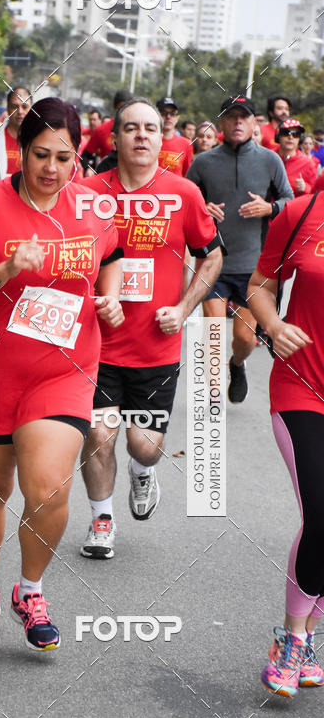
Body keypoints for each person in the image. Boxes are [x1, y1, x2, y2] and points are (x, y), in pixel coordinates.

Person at [0, 98, 124, 650]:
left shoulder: (93, 208)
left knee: (45, 487)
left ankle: (30, 589)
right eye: (40, 154)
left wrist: (110, 298)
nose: (51, 168)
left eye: (64, 157)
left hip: (63, 368)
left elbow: (110, 256)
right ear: (20, 151)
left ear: (79, 159)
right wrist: (6, 269)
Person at [78, 98, 222, 558]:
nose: (141, 135)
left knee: (144, 448)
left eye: (150, 129)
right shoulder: (88, 192)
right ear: (114, 137)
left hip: (157, 348)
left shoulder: (183, 193)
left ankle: (143, 473)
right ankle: (102, 519)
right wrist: (95, 300)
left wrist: (183, 309)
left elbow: (212, 255)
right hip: (96, 344)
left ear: (163, 139)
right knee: (99, 434)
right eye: (131, 128)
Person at [247, 193, 324, 698]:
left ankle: (310, 636)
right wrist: (273, 325)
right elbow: (259, 285)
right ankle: (291, 639)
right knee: (320, 513)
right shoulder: (301, 212)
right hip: (302, 386)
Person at [186, 95, 293, 403]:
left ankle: (237, 364)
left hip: (252, 267)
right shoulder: (203, 162)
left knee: (245, 338)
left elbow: (289, 201)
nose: (237, 123)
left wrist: (269, 208)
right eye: (231, 117)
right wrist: (203, 208)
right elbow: (186, 200)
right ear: (221, 122)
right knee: (215, 332)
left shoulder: (269, 160)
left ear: (253, 122)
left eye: (243, 117)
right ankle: (213, 392)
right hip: (214, 261)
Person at [81, 89, 131, 175]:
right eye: (121, 107)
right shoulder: (101, 130)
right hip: (105, 180)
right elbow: (84, 157)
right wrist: (89, 169)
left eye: (127, 108)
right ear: (115, 107)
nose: (124, 111)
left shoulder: (139, 132)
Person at [276, 118, 317, 197]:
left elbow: (316, 194)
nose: (290, 137)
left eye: (296, 134)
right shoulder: (268, 156)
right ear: (278, 136)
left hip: (294, 207)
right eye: (286, 132)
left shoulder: (308, 163)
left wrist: (305, 188)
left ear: (299, 139)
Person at [156, 97, 192, 176]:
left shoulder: (186, 144)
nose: (168, 117)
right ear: (156, 115)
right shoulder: (147, 140)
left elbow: (187, 176)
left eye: (172, 113)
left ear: (177, 117)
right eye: (163, 113)